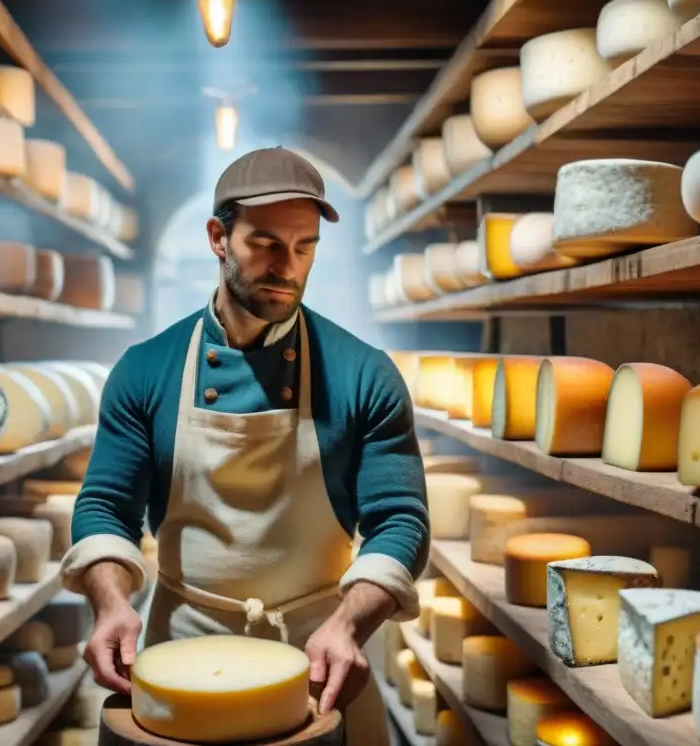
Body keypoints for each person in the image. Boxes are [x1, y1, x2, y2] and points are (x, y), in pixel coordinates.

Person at [61, 146, 429, 744]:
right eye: (266, 243)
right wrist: (109, 603)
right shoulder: (144, 370)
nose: (288, 265)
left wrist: (349, 625)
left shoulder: (365, 374)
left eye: (304, 246)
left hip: (319, 656)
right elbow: (105, 508)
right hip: (182, 653)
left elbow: (401, 521)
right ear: (218, 237)